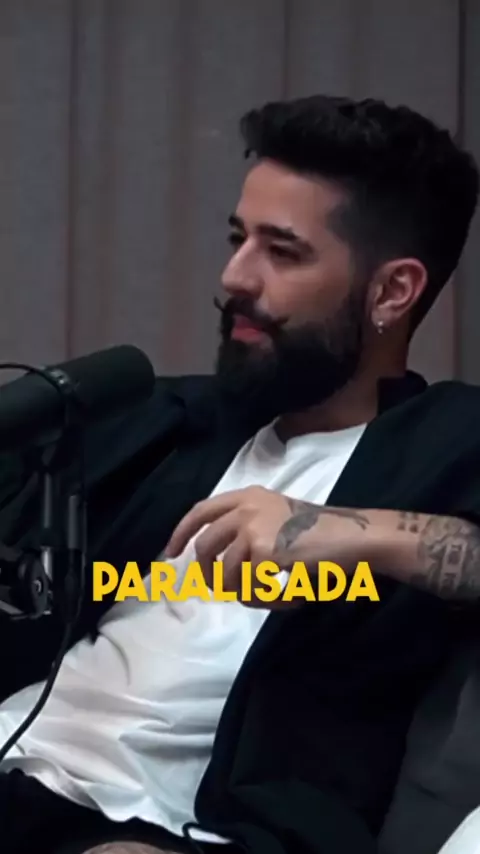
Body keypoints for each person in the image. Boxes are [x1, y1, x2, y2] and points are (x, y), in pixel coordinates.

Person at [0, 94, 479, 854]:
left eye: (281, 252)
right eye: (238, 238)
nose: (234, 276)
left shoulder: (450, 443)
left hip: (160, 832)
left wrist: (363, 534)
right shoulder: (164, 421)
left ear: (392, 291)